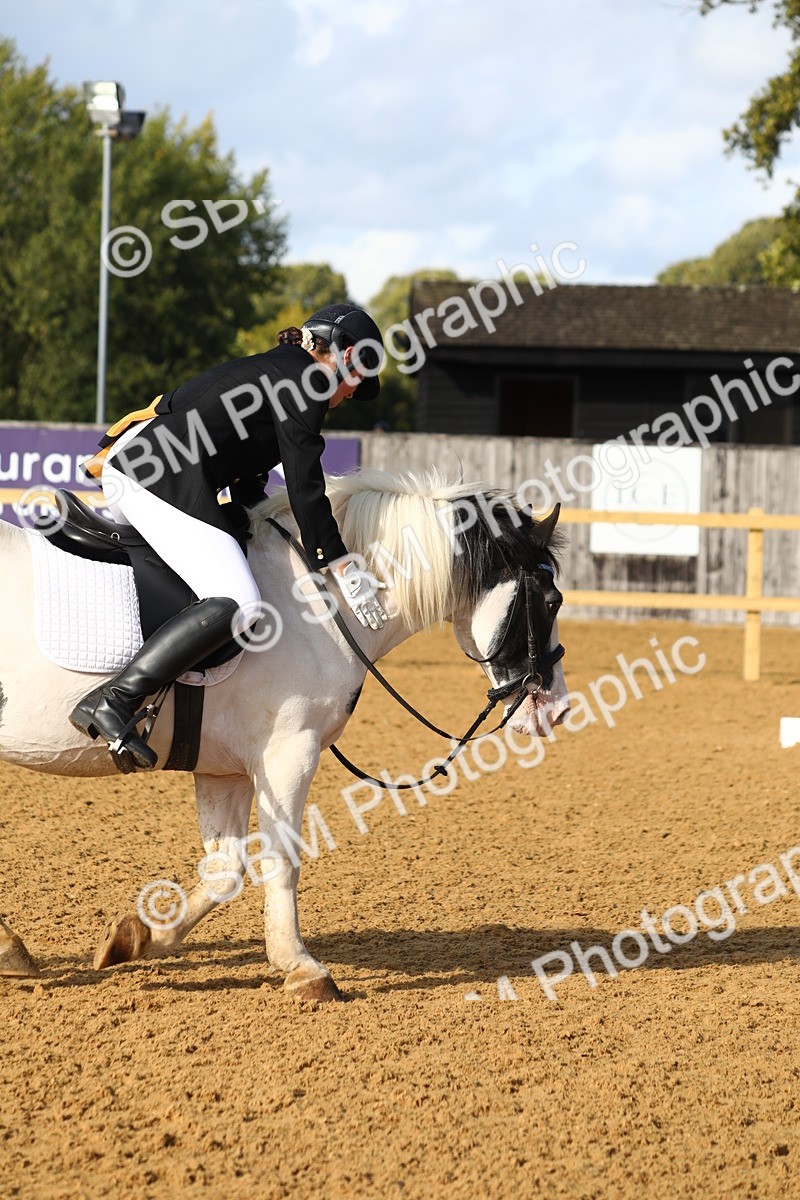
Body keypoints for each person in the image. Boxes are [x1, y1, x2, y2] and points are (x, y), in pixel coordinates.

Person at [70, 303, 388, 771]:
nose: (354, 388)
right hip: (157, 477)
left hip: (143, 466)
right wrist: (337, 561)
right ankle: (117, 699)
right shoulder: (308, 381)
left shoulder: (277, 368)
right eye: (357, 371)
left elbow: (246, 470)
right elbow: (304, 483)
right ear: (337, 351)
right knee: (238, 600)